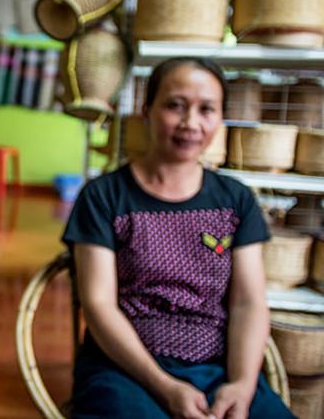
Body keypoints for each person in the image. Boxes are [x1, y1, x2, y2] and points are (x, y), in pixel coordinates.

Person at [63, 57, 294, 419]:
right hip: (124, 369)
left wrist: (242, 386)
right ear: (147, 110)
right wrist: (165, 386)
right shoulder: (103, 196)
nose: (191, 123)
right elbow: (99, 306)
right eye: (175, 105)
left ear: (220, 119)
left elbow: (248, 303)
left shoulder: (236, 200)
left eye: (207, 109)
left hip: (217, 369)